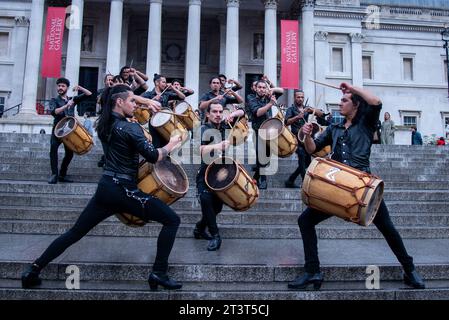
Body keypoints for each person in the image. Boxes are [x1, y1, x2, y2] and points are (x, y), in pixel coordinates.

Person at [21, 84, 183, 291]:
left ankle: (33, 270)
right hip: (124, 190)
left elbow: (112, 94)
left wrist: (144, 102)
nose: (136, 104)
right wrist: (172, 143)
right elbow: (154, 156)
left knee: (75, 232)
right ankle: (159, 272)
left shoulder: (104, 124)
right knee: (172, 220)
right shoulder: (130, 127)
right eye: (132, 101)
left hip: (106, 187)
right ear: (119, 102)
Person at [288, 82, 425, 290]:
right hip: (335, 186)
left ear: (356, 105)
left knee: (388, 228)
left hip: (363, 188)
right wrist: (306, 135)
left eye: (344, 100)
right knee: (305, 221)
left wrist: (351, 88)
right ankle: (312, 271)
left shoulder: (366, 123)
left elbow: (376, 102)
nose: (340, 103)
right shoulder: (334, 128)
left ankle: (409, 268)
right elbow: (312, 148)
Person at [195, 103, 244, 251]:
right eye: (214, 111)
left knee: (217, 208)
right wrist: (217, 146)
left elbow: (243, 112)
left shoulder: (225, 125)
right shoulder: (202, 129)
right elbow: (198, 150)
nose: (217, 114)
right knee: (206, 200)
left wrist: (233, 115)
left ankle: (199, 227)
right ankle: (216, 236)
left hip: (221, 173)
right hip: (205, 172)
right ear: (208, 114)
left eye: (220, 112)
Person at [48, 78, 92, 184]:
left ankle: (62, 175)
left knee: (69, 154)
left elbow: (89, 94)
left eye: (62, 86)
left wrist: (79, 88)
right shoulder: (54, 100)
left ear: (67, 88)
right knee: (53, 149)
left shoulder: (73, 99)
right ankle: (54, 174)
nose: (60, 88)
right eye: (59, 86)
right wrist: (66, 105)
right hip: (58, 130)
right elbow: (54, 112)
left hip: (70, 131)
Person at [284, 90, 324, 188]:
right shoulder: (291, 109)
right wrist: (297, 117)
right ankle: (304, 182)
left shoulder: (307, 108)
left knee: (307, 163)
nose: (300, 99)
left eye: (302, 97)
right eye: (298, 97)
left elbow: (321, 114)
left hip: (306, 139)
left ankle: (290, 180)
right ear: (294, 98)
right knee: (301, 156)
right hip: (296, 139)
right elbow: (287, 122)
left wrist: (311, 109)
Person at [247, 80, 283, 189]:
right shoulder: (251, 98)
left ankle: (255, 176)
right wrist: (270, 104)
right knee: (261, 155)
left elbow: (281, 90)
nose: (262, 89)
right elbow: (258, 112)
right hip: (258, 131)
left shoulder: (268, 96)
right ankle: (263, 180)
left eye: (263, 87)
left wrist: (270, 89)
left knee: (266, 157)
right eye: (260, 87)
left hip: (270, 131)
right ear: (256, 89)